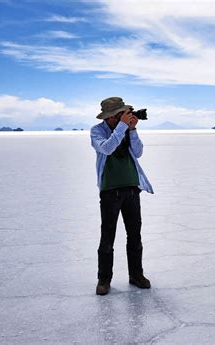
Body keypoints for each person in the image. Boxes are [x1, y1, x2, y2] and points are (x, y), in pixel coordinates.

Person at [90, 97, 154, 296]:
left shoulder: (126, 128)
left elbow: (138, 152)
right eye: (120, 114)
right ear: (110, 116)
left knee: (135, 236)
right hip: (110, 192)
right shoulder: (97, 131)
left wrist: (132, 130)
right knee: (107, 237)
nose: (123, 117)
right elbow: (107, 148)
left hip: (132, 190)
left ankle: (136, 275)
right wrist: (122, 127)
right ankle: (104, 279)